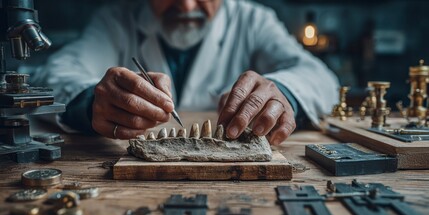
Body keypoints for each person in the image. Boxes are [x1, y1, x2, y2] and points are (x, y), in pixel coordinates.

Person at [32, 0, 339, 146]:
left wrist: (283, 93)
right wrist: (89, 103)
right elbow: (54, 74)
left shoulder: (253, 20)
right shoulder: (116, 20)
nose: (187, 5)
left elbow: (319, 75)